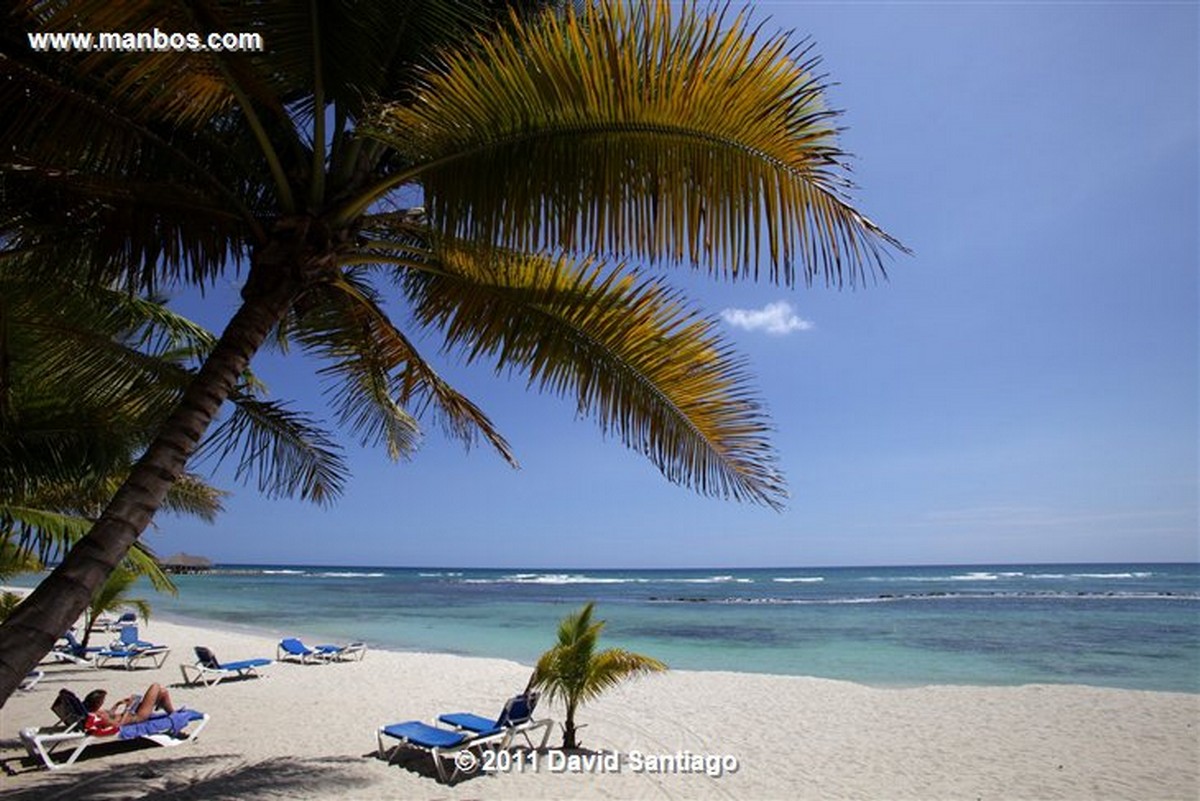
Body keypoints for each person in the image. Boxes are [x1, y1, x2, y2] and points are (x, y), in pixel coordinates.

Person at [82, 683, 176, 735]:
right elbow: (119, 725)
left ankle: (171, 712)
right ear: (96, 702)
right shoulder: (100, 717)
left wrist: (118, 704)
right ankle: (173, 714)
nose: (103, 702)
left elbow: (111, 714)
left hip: (132, 713)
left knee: (163, 692)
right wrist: (128, 708)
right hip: (138, 717)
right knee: (155, 686)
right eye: (102, 700)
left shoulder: (96, 713)